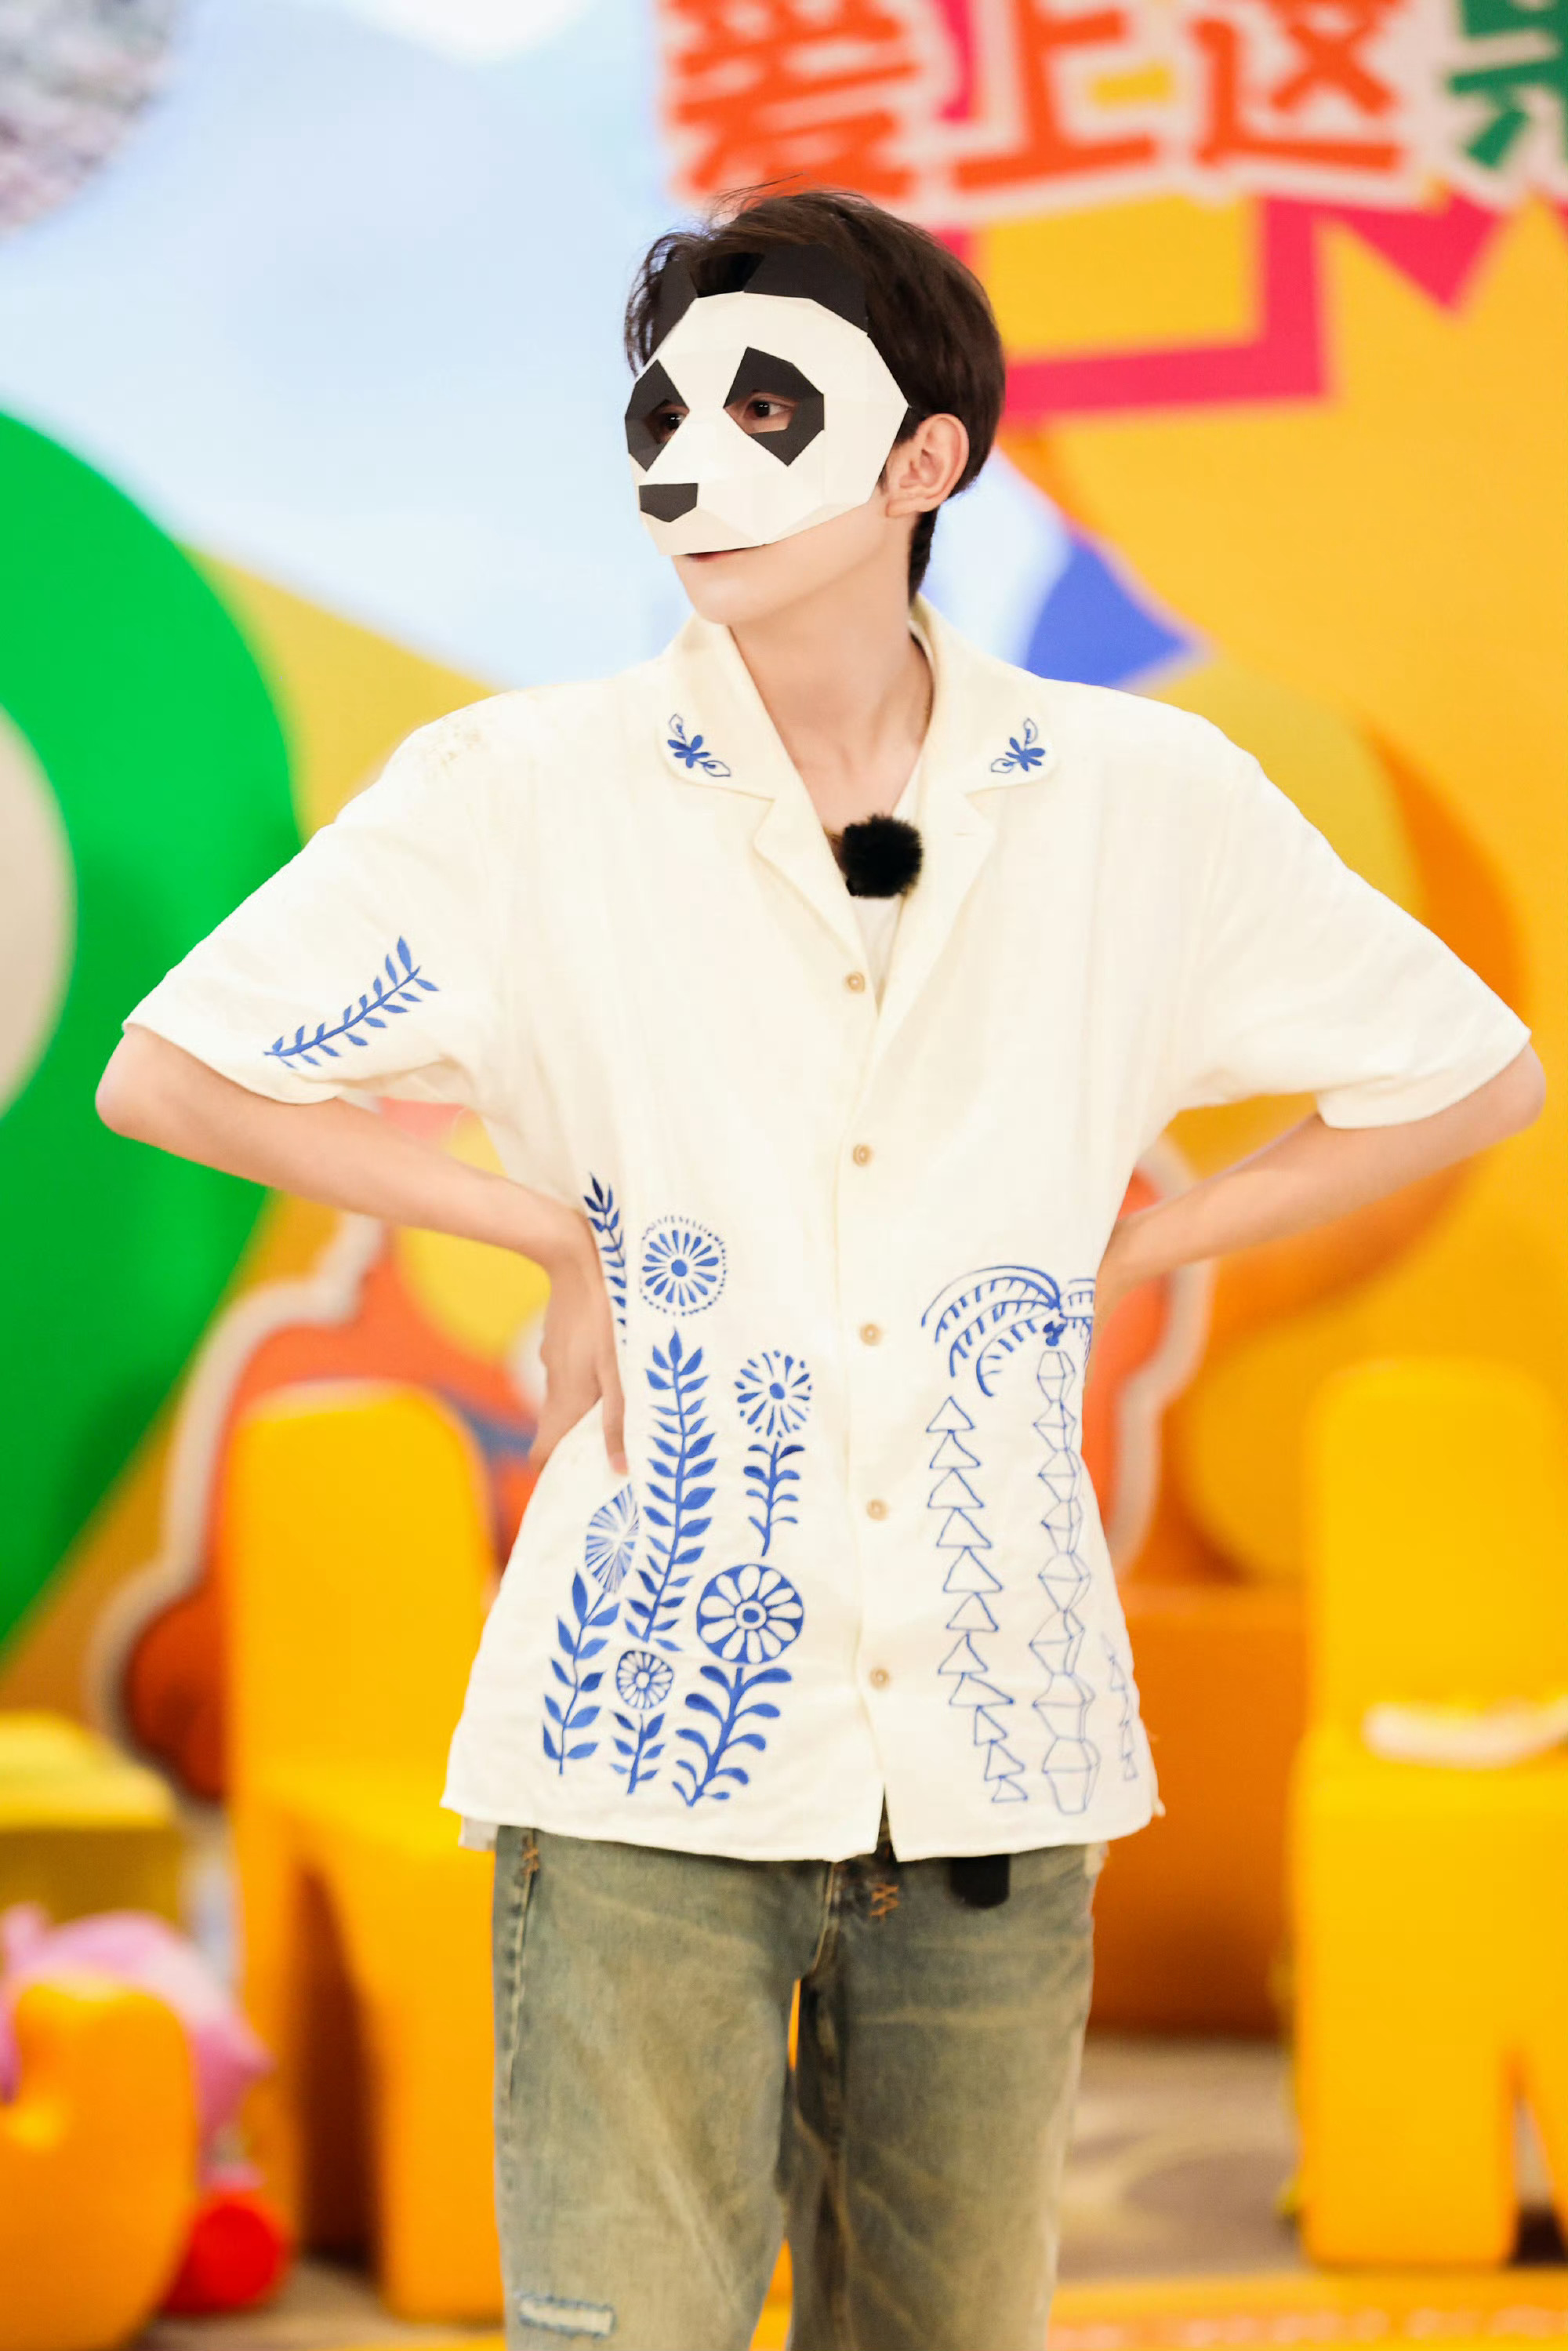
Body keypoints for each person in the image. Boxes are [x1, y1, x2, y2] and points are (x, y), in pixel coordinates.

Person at [98, 188, 1544, 2351]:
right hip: (640, 1757)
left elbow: (1469, 1068)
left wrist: (1157, 1233)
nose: (689, 460)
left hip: (997, 1748)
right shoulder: (521, 791)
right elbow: (170, 1071)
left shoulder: (1137, 799)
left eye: (766, 407)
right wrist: (545, 1224)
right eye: (661, 414)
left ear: (924, 460)